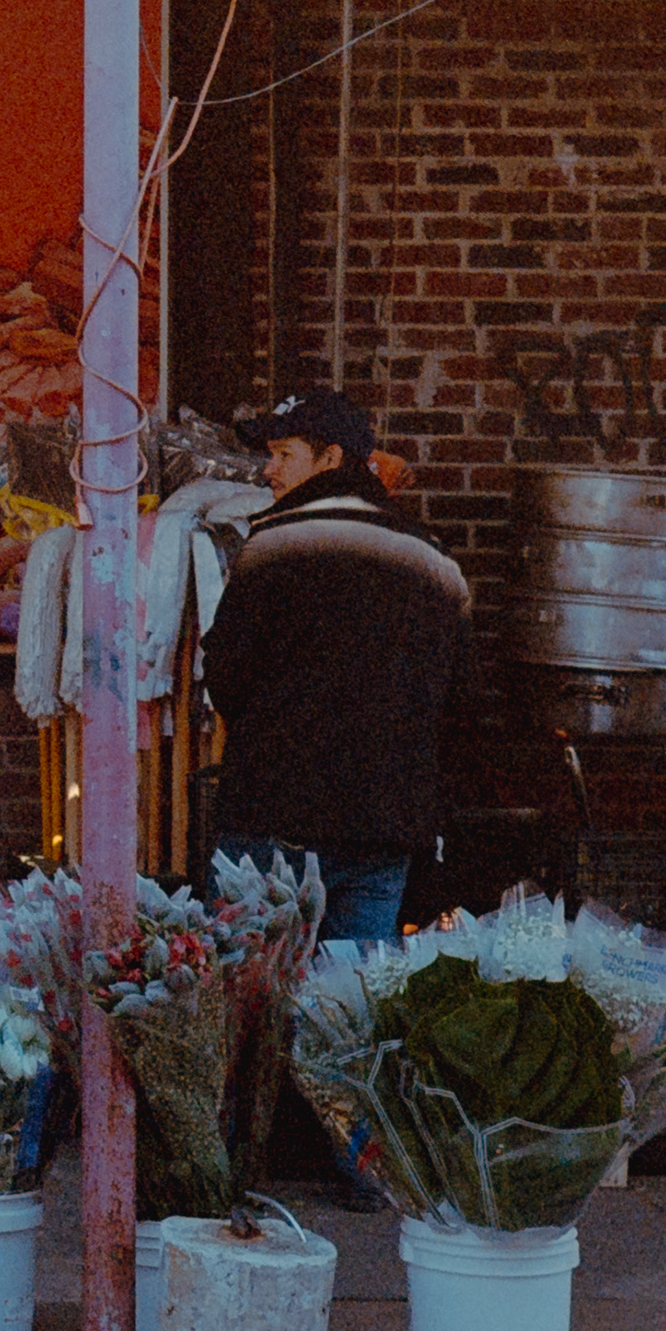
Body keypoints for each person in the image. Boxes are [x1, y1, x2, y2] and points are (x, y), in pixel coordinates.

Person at [199, 386, 467, 949]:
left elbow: (225, 673)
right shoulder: (436, 559)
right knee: (355, 995)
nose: (269, 470)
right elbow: (459, 693)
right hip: (386, 827)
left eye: (284, 454)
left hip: (277, 817)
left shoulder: (274, 543)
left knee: (252, 989)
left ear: (331, 459)